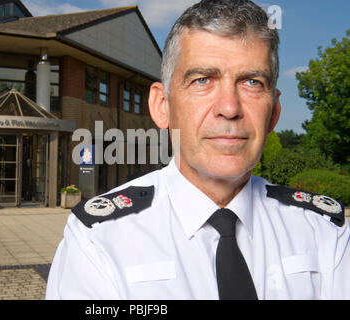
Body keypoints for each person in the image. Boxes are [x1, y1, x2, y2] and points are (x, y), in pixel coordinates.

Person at [45, 0, 350, 300]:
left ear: (274, 113)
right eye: (202, 80)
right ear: (162, 106)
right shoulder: (99, 239)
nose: (229, 108)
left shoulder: (323, 233)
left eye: (252, 82)